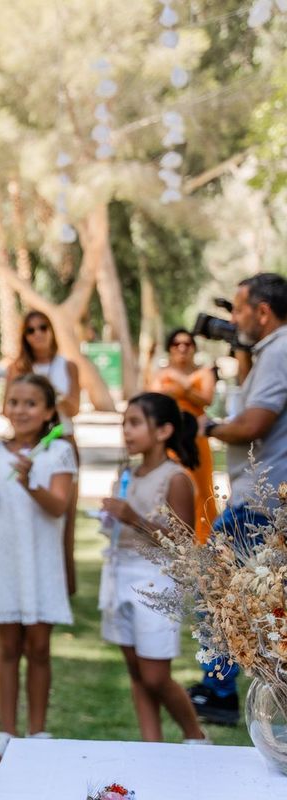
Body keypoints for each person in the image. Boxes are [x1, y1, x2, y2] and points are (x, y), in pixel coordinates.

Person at [191, 272, 287, 724]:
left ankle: (221, 690)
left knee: (216, 588)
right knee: (243, 600)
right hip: (258, 495)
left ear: (262, 312)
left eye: (240, 308)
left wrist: (206, 428)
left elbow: (252, 425)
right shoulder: (269, 351)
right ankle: (224, 687)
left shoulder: (281, 350)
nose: (234, 318)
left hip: (261, 501)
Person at [0, 374, 76, 771]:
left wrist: (30, 478)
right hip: (5, 559)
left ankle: (37, 731)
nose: (20, 410)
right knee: (7, 647)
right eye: (13, 402)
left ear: (49, 411)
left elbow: (58, 507)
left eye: (30, 403)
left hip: (40, 561)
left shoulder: (59, 453)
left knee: (39, 648)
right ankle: (6, 730)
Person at [99, 393, 209, 744]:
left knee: (155, 676)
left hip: (157, 580)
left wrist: (133, 518)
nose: (126, 432)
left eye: (134, 423)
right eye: (124, 423)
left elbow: (184, 542)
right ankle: (151, 745)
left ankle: (195, 735)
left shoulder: (174, 478)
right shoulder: (128, 473)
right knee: (136, 671)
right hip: (120, 573)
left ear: (163, 431)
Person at [8, 310, 81, 596]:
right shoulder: (18, 368)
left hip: (63, 440)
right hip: (28, 445)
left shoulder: (68, 366)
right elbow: (7, 407)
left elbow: (73, 406)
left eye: (42, 327)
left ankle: (64, 585)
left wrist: (42, 394)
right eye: (30, 330)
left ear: (51, 330)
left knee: (63, 512)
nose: (37, 334)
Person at [148, 329, 218, 542]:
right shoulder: (162, 374)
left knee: (203, 487)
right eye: (177, 343)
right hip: (171, 440)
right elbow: (153, 400)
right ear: (170, 348)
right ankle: (173, 538)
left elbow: (206, 399)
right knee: (169, 484)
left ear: (193, 347)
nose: (182, 348)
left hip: (197, 437)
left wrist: (184, 389)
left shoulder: (203, 372)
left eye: (187, 344)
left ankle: (205, 541)